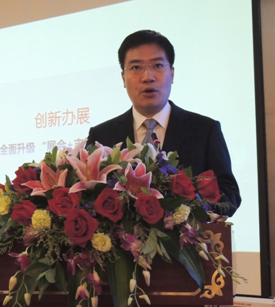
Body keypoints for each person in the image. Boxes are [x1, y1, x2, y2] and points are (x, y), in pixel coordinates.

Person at [87, 29, 241, 215]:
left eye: (158, 65)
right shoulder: (101, 136)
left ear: (172, 73)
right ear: (123, 78)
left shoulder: (205, 130)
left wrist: (185, 210)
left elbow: (230, 197)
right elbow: (87, 199)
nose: (148, 77)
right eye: (136, 67)